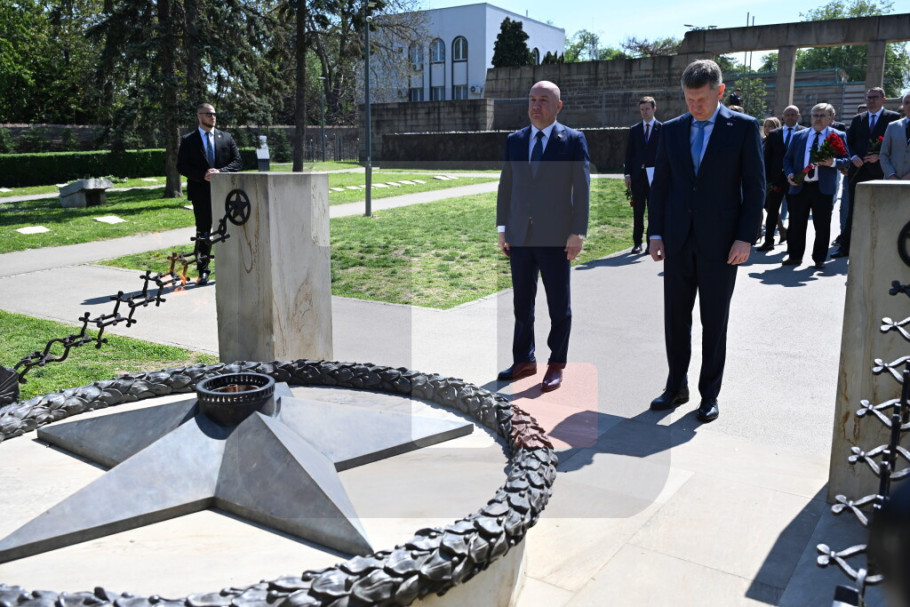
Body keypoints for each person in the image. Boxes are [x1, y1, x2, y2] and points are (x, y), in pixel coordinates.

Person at [647, 59, 764, 423]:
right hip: (678, 242)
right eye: (689, 99)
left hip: (722, 245)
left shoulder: (743, 128)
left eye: (701, 99)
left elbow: (755, 187)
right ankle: (675, 386)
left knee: (714, 322)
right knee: (675, 320)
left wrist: (745, 238)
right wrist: (655, 233)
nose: (695, 106)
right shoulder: (672, 130)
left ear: (720, 91)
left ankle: (709, 394)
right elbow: (661, 186)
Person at [496, 80, 590, 393]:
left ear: (558, 106)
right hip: (520, 236)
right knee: (522, 303)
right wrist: (502, 229)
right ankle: (524, 359)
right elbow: (506, 187)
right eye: (532, 99)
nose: (536, 106)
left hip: (556, 237)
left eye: (544, 100)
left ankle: (556, 364)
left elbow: (582, 190)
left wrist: (578, 232)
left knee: (559, 306)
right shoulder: (515, 140)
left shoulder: (573, 140)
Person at [177, 103, 243, 284]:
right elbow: (181, 166)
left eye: (214, 114)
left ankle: (230, 268)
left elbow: (238, 162)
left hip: (226, 192)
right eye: (208, 114)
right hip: (201, 193)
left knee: (228, 230)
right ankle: (203, 270)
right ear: (199, 116)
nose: (212, 117)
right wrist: (202, 175)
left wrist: (220, 172)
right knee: (203, 232)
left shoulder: (226, 137)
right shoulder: (189, 140)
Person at [781, 103, 850, 270]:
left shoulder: (837, 135)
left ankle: (819, 258)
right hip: (800, 186)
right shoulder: (799, 136)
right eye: (815, 115)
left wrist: (832, 162)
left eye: (822, 115)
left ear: (830, 118)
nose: (818, 119)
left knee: (822, 225)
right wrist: (790, 174)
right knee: (796, 224)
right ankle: (795, 256)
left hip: (823, 187)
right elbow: (787, 159)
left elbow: (847, 160)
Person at [834, 88, 900, 258]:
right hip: (858, 171)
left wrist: (880, 156)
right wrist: (853, 156)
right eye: (869, 97)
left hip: (881, 171)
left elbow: (896, 145)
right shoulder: (858, 119)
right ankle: (845, 247)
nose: (871, 100)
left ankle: (879, 249)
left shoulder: (893, 118)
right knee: (853, 209)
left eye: (875, 97)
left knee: (880, 209)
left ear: (883, 99)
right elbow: (848, 143)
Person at [758, 106, 804, 251]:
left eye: (793, 114)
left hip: (796, 179)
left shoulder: (804, 132)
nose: (790, 117)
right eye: (787, 115)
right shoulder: (774, 134)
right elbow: (767, 157)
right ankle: (768, 241)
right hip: (776, 180)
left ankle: (792, 243)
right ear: (783, 116)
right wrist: (767, 179)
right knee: (772, 211)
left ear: (798, 116)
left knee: (794, 212)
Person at [624, 96, 662, 254]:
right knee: (638, 211)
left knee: (653, 211)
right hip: (637, 176)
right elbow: (629, 153)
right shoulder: (634, 130)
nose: (644, 112)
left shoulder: (662, 129)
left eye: (647, 109)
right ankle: (637, 243)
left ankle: (650, 243)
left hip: (655, 176)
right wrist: (627, 174)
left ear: (654, 109)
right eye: (642, 109)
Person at [881, 92, 910, 181]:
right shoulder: (892, 126)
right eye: (907, 103)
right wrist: (891, 175)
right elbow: (884, 154)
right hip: (891, 181)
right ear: (903, 105)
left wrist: (907, 178)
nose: (909, 106)